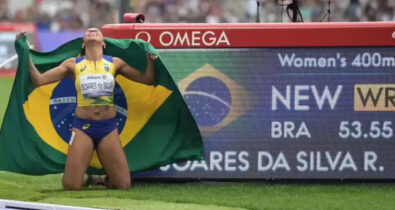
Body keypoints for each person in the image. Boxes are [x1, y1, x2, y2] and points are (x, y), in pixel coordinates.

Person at [16, 28, 157, 190]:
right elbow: (39, 80)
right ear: (83, 44)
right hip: (83, 128)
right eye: (89, 31)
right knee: (71, 185)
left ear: (103, 43)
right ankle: (80, 176)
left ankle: (101, 179)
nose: (92, 30)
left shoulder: (115, 63)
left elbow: (148, 79)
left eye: (96, 31)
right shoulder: (73, 64)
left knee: (123, 184)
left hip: (108, 128)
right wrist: (24, 52)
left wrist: (150, 58)